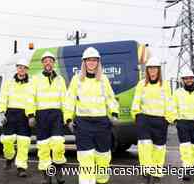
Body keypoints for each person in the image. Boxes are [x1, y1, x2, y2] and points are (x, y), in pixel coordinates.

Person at [64, 47, 120, 184]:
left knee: (103, 157)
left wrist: (114, 113)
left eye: (94, 60)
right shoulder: (76, 80)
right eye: (89, 60)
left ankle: (101, 180)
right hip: (83, 124)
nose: (91, 63)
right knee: (85, 157)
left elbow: (110, 98)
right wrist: (68, 119)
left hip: (102, 124)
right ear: (84, 62)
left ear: (98, 62)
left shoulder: (103, 80)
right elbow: (69, 100)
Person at [130, 57, 176, 184]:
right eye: (150, 68)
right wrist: (137, 115)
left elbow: (169, 102)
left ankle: (156, 173)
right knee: (144, 147)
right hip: (144, 119)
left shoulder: (165, 85)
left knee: (159, 148)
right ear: (147, 70)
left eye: (155, 68)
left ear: (158, 70)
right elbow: (136, 101)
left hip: (160, 121)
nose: (152, 71)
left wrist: (169, 119)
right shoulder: (141, 84)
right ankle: (147, 171)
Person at [0, 54, 35, 177]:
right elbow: (3, 98)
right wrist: (2, 112)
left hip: (24, 116)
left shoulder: (31, 84)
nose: (22, 69)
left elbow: (32, 100)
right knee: (7, 141)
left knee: (23, 143)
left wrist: (31, 116)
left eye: (24, 67)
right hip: (10, 115)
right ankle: (9, 157)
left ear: (27, 69)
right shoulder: (9, 83)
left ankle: (21, 167)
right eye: (20, 67)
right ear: (17, 68)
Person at [32, 51, 67, 184]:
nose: (48, 63)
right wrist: (31, 115)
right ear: (42, 64)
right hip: (41, 116)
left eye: (50, 60)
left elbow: (65, 99)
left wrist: (67, 117)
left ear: (54, 63)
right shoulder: (35, 79)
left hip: (57, 115)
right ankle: (47, 176)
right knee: (43, 147)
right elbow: (31, 98)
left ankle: (58, 172)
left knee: (58, 145)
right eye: (45, 61)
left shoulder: (60, 79)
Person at [173, 68, 194, 181]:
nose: (188, 80)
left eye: (190, 78)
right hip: (182, 123)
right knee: (185, 147)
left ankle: (192, 165)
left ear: (193, 79)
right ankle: (186, 168)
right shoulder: (177, 93)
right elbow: (173, 107)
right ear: (182, 80)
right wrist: (175, 121)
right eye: (186, 78)